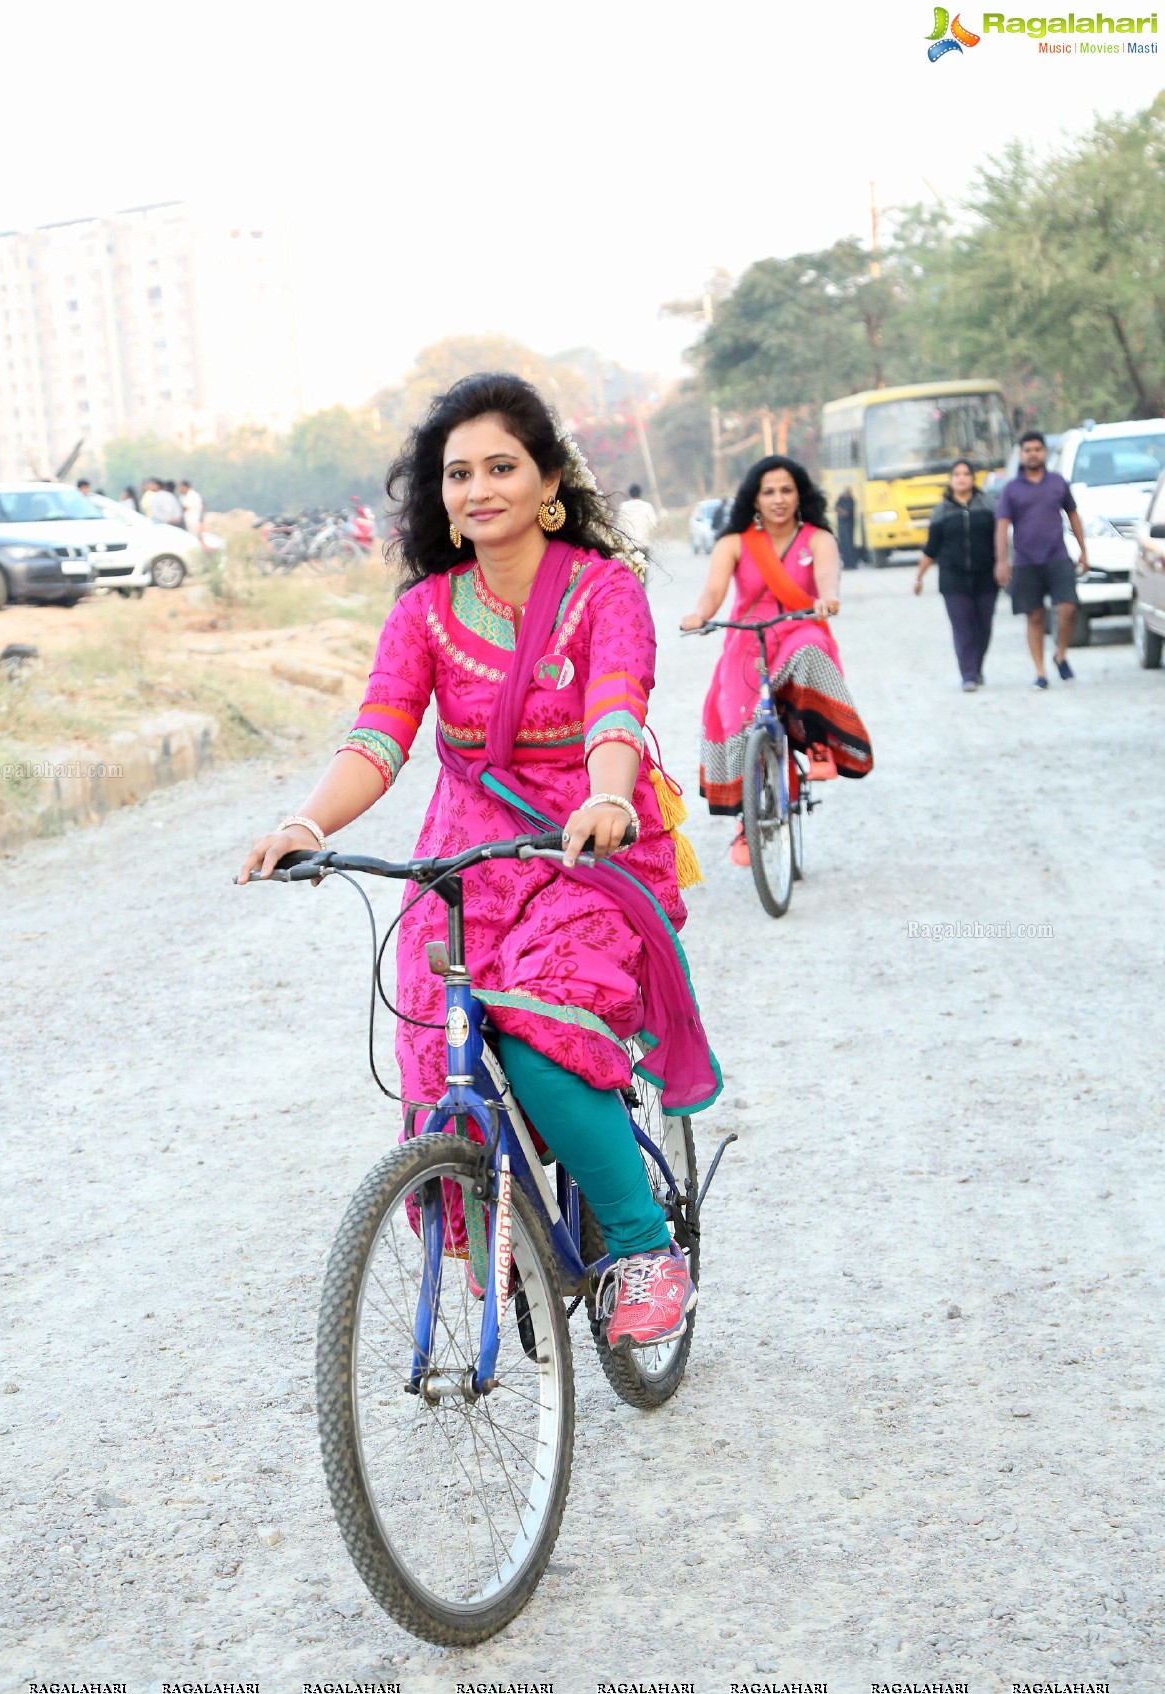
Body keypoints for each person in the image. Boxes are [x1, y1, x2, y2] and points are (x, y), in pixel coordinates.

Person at [239, 373, 720, 1350]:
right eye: (457, 473)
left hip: (590, 842)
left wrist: (609, 794)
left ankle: (643, 1246)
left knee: (537, 1032)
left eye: (502, 466)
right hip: (466, 858)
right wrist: (308, 825)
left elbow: (614, 711)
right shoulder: (424, 612)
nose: (478, 487)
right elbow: (377, 740)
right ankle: (491, 1215)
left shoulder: (603, 591)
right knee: (434, 1035)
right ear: (439, 496)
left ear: (547, 480)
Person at [681, 456, 873, 865]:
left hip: (801, 626)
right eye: (768, 491)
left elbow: (828, 579)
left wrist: (827, 599)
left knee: (809, 650)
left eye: (786, 489)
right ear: (755, 498)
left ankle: (819, 742)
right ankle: (746, 823)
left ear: (799, 494)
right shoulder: (733, 543)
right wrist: (700, 613)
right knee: (732, 711)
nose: (778, 499)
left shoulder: (818, 538)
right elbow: (713, 592)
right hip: (749, 638)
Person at [995, 430, 1088, 687]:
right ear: (1021, 455)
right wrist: (1002, 561)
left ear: (1045, 452)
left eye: (1037, 449)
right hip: (1026, 561)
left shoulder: (1058, 482)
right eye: (1027, 450)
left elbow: (1074, 516)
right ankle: (1040, 672)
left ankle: (1060, 655)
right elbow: (1002, 525)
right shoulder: (1012, 490)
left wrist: (1083, 550)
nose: (1032, 454)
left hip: (1057, 556)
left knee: (1068, 608)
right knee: (1034, 616)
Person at [914, 459, 997, 692]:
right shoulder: (941, 512)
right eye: (957, 474)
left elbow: (1000, 539)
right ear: (951, 480)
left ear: (973, 478)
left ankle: (977, 666)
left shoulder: (988, 505)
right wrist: (919, 576)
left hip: (985, 576)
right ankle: (968, 674)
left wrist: (1004, 565)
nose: (961, 478)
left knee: (983, 626)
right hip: (953, 579)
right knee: (963, 627)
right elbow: (931, 548)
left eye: (966, 474)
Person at [617, 482, 657, 550]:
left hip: (628, 545)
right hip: (643, 544)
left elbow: (620, 525)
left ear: (629, 493)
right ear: (640, 493)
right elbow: (653, 524)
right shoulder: (647, 506)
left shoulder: (623, 506)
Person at [834, 487, 857, 570]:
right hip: (841, 525)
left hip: (849, 526)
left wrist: (841, 511)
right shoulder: (841, 499)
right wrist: (841, 510)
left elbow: (847, 513)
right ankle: (846, 564)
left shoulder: (851, 500)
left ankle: (852, 564)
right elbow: (835, 508)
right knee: (843, 545)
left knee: (849, 545)